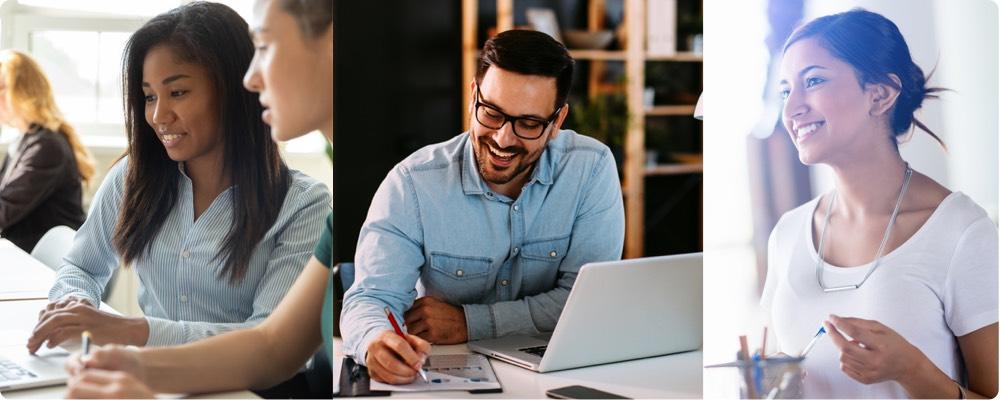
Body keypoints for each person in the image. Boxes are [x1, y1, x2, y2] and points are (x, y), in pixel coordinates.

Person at [62, 0, 335, 397]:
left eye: (178, 91)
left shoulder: (309, 203)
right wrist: (117, 347)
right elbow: (272, 347)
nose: (157, 116)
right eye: (149, 97)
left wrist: (138, 337)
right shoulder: (133, 177)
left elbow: (272, 350)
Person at [341, 29, 625, 384]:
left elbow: (583, 301)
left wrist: (469, 322)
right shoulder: (413, 183)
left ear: (557, 122)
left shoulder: (591, 168)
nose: (503, 138)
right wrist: (375, 341)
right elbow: (370, 297)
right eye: (491, 112)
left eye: (529, 123)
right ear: (473, 95)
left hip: (555, 375)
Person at [763, 8, 997, 398]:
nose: (791, 109)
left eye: (814, 81)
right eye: (786, 91)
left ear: (881, 94)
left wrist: (911, 368)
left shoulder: (961, 231)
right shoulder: (788, 233)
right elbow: (772, 367)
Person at [0, 50, 94, 252]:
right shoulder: (23, 142)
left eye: (2, 88)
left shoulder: (46, 148)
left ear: (21, 93)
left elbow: (4, 211)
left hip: (49, 267)